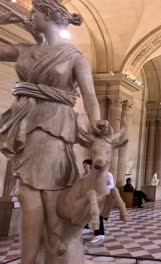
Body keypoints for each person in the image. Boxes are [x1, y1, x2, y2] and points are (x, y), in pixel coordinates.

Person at [0, 2, 101, 262]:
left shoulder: (75, 57)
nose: (30, 17)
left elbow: (89, 96)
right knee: (26, 192)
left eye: (34, 13)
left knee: (39, 192)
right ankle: (30, 258)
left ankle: (49, 247)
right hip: (24, 121)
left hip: (55, 125)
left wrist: (98, 124)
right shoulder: (25, 50)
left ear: (48, 16)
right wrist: (3, 20)